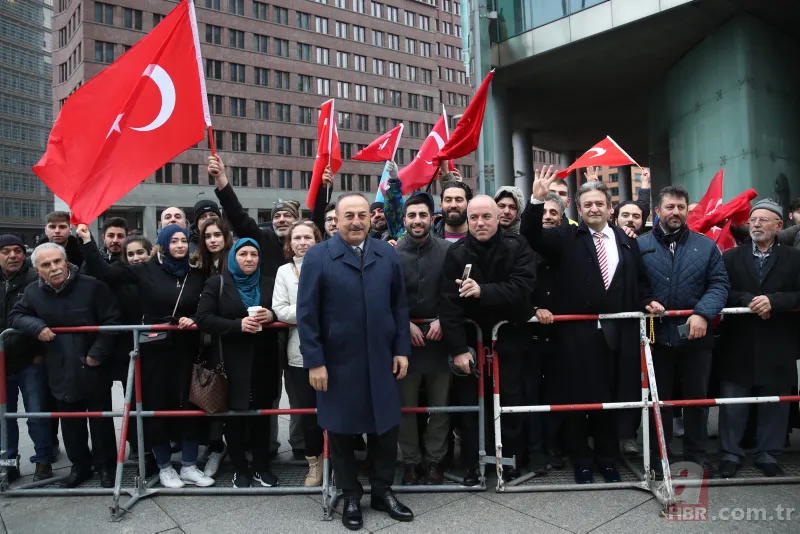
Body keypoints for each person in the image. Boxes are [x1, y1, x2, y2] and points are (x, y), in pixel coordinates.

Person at [521, 168, 657, 484]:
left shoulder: (626, 240)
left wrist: (648, 301)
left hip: (616, 336)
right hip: (574, 337)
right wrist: (536, 201)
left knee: (610, 401)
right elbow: (532, 236)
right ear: (579, 211)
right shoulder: (567, 237)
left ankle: (607, 459)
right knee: (576, 402)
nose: (594, 209)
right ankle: (581, 460)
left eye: (599, 203)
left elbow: (639, 280)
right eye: (587, 205)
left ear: (610, 208)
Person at [298, 193, 413, 530]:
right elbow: (307, 315)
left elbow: (399, 307)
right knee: (341, 431)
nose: (357, 221)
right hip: (337, 363)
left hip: (381, 359)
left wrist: (401, 349)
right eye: (349, 215)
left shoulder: (386, 252)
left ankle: (382, 490)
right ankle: (350, 495)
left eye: (362, 214)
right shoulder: (319, 256)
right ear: (336, 219)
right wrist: (315, 361)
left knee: (386, 428)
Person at [77, 224, 214, 489]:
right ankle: (164, 467)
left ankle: (188, 465)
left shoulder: (196, 274)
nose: (180, 245)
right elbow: (104, 272)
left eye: (184, 240)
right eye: (173, 241)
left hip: (186, 351)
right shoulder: (144, 270)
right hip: (154, 352)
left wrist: (195, 318)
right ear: (162, 244)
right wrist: (86, 241)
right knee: (156, 408)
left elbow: (207, 305)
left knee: (189, 407)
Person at [439, 195, 537, 483]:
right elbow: (449, 305)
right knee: (471, 403)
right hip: (471, 342)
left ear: (498, 219)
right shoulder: (456, 253)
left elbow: (522, 289)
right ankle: (473, 462)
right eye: (474, 218)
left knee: (510, 399)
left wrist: (483, 292)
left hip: (510, 338)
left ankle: (510, 461)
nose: (479, 223)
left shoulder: (517, 246)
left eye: (486, 217)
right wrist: (458, 349)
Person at [208, 155, 301, 456]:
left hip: (302, 329)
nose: (281, 220)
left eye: (287, 215)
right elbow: (237, 216)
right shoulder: (263, 242)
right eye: (277, 216)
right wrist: (222, 182)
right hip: (271, 329)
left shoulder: (311, 244)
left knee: (302, 392)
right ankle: (267, 446)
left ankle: (303, 447)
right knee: (268, 391)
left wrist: (323, 188)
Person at [9, 242, 119, 488]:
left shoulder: (93, 286)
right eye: (46, 265)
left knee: (100, 421)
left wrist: (98, 353)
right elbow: (16, 315)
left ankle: (106, 468)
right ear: (37, 270)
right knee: (70, 422)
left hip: (93, 363)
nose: (54, 268)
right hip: (59, 366)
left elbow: (112, 319)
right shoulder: (32, 292)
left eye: (57, 261)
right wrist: (37, 327)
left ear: (66, 261)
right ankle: (80, 467)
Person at [638, 186, 730, 476]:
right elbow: (631, 284)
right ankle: (658, 458)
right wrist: (644, 301)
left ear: (688, 210)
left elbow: (719, 284)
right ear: (658, 211)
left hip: (697, 337)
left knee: (696, 401)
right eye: (669, 207)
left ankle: (696, 456)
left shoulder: (706, 246)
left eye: (680, 206)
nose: (675, 212)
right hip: (656, 337)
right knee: (659, 401)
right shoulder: (639, 245)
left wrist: (703, 313)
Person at [718, 200, 800, 478]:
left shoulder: (794, 257)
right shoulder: (730, 257)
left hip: (778, 340)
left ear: (779, 226)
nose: (755, 224)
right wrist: (750, 301)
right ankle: (730, 454)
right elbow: (721, 290)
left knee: (774, 403)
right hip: (738, 340)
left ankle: (768, 455)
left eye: (764, 220)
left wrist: (774, 301)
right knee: (733, 403)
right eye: (753, 220)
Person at [196, 238, 281, 488]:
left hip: (263, 359)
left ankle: (261, 467)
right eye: (243, 254)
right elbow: (204, 317)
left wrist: (272, 315)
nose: (249, 259)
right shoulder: (218, 283)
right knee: (234, 417)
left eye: (254, 254)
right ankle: (240, 469)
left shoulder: (269, 283)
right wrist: (237, 325)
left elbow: (280, 308)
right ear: (233, 257)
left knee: (261, 415)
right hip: (230, 360)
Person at [394, 193, 452, 485]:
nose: (418, 220)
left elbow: (454, 293)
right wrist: (404, 324)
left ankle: (434, 462)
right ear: (404, 220)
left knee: (440, 409)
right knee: (405, 409)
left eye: (423, 215)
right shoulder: (389, 254)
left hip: (440, 343)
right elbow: (384, 298)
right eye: (412, 216)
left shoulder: (447, 251)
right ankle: (410, 463)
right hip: (405, 347)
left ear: (432, 218)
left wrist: (444, 317)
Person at [272, 220, 325, 486]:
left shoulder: (328, 264)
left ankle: (338, 460)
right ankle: (314, 463)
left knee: (335, 409)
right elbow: (280, 310)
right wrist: (311, 312)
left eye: (308, 237)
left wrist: (304, 312)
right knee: (307, 412)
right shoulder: (283, 271)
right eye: (297, 238)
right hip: (299, 353)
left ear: (317, 240)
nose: (302, 242)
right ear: (289, 243)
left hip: (332, 351)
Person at [0, 235, 56, 483]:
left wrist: (39, 355)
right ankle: (8, 462)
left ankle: (43, 461)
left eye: (17, 250)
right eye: (5, 251)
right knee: (4, 416)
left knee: (37, 414)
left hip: (29, 360)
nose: (12, 255)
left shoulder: (35, 279)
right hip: (2, 362)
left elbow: (47, 317)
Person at [525, 193, 567, 474]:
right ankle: (535, 450)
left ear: (562, 219)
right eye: (543, 212)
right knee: (530, 395)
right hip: (528, 335)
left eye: (554, 213)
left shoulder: (569, 245)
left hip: (563, 335)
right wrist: (533, 307)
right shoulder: (523, 246)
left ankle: (554, 444)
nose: (548, 216)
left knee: (558, 393)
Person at [194, 216, 234, 478]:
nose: (212, 240)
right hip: (208, 342)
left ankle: (233, 448)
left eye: (217, 235)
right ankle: (215, 447)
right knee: (212, 395)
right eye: (208, 236)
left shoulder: (234, 261)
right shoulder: (202, 266)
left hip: (231, 339)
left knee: (230, 395)